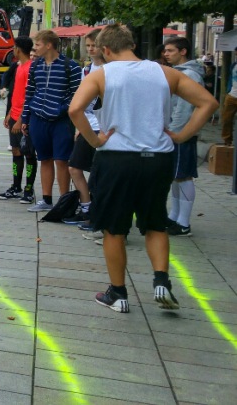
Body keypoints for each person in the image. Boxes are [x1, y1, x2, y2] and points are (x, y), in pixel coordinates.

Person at [69, 24, 217, 313]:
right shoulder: (164, 72)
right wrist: (181, 135)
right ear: (132, 44)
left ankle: (118, 293)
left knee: (114, 228)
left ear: (106, 50)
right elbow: (207, 103)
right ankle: (161, 280)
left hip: (117, 159)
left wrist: (95, 140)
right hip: (157, 157)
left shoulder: (102, 74)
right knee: (155, 223)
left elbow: (75, 110)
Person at [21, 30, 82, 212]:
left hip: (61, 121)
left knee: (62, 161)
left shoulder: (70, 66)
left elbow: (76, 94)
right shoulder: (35, 65)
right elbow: (30, 92)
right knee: (44, 159)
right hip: (38, 118)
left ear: (49, 45)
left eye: (38, 44)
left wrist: (61, 109)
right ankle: (46, 199)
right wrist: (26, 117)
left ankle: (63, 202)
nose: (35, 48)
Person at [161, 36, 205, 236]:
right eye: (166, 50)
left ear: (183, 51)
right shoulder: (180, 73)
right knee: (176, 176)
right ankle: (175, 217)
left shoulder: (189, 75)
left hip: (182, 133)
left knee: (183, 176)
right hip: (177, 132)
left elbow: (185, 108)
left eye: (170, 50)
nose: (166, 54)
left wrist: (176, 132)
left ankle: (184, 222)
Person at [63, 30, 104, 228]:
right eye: (87, 45)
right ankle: (86, 206)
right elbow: (82, 99)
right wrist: (80, 125)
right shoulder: (86, 70)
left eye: (93, 45)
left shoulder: (110, 69)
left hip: (104, 128)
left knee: (98, 172)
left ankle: (98, 212)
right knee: (74, 167)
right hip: (88, 125)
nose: (90, 49)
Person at [0, 37, 39, 203]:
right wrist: (9, 114)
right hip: (14, 114)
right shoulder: (18, 66)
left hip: (25, 118)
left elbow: (30, 96)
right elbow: (16, 92)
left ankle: (28, 190)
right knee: (16, 151)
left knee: (28, 153)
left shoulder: (31, 67)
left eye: (14, 47)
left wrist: (21, 118)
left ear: (18, 49)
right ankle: (16, 186)